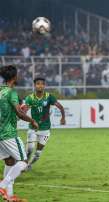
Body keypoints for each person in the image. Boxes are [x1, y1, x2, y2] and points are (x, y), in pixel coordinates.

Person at [0, 65, 39, 201]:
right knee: (23, 162)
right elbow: (19, 113)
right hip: (8, 133)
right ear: (14, 77)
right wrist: (32, 121)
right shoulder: (11, 92)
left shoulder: (0, 91)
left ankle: (9, 196)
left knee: (10, 162)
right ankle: (3, 185)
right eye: (17, 75)